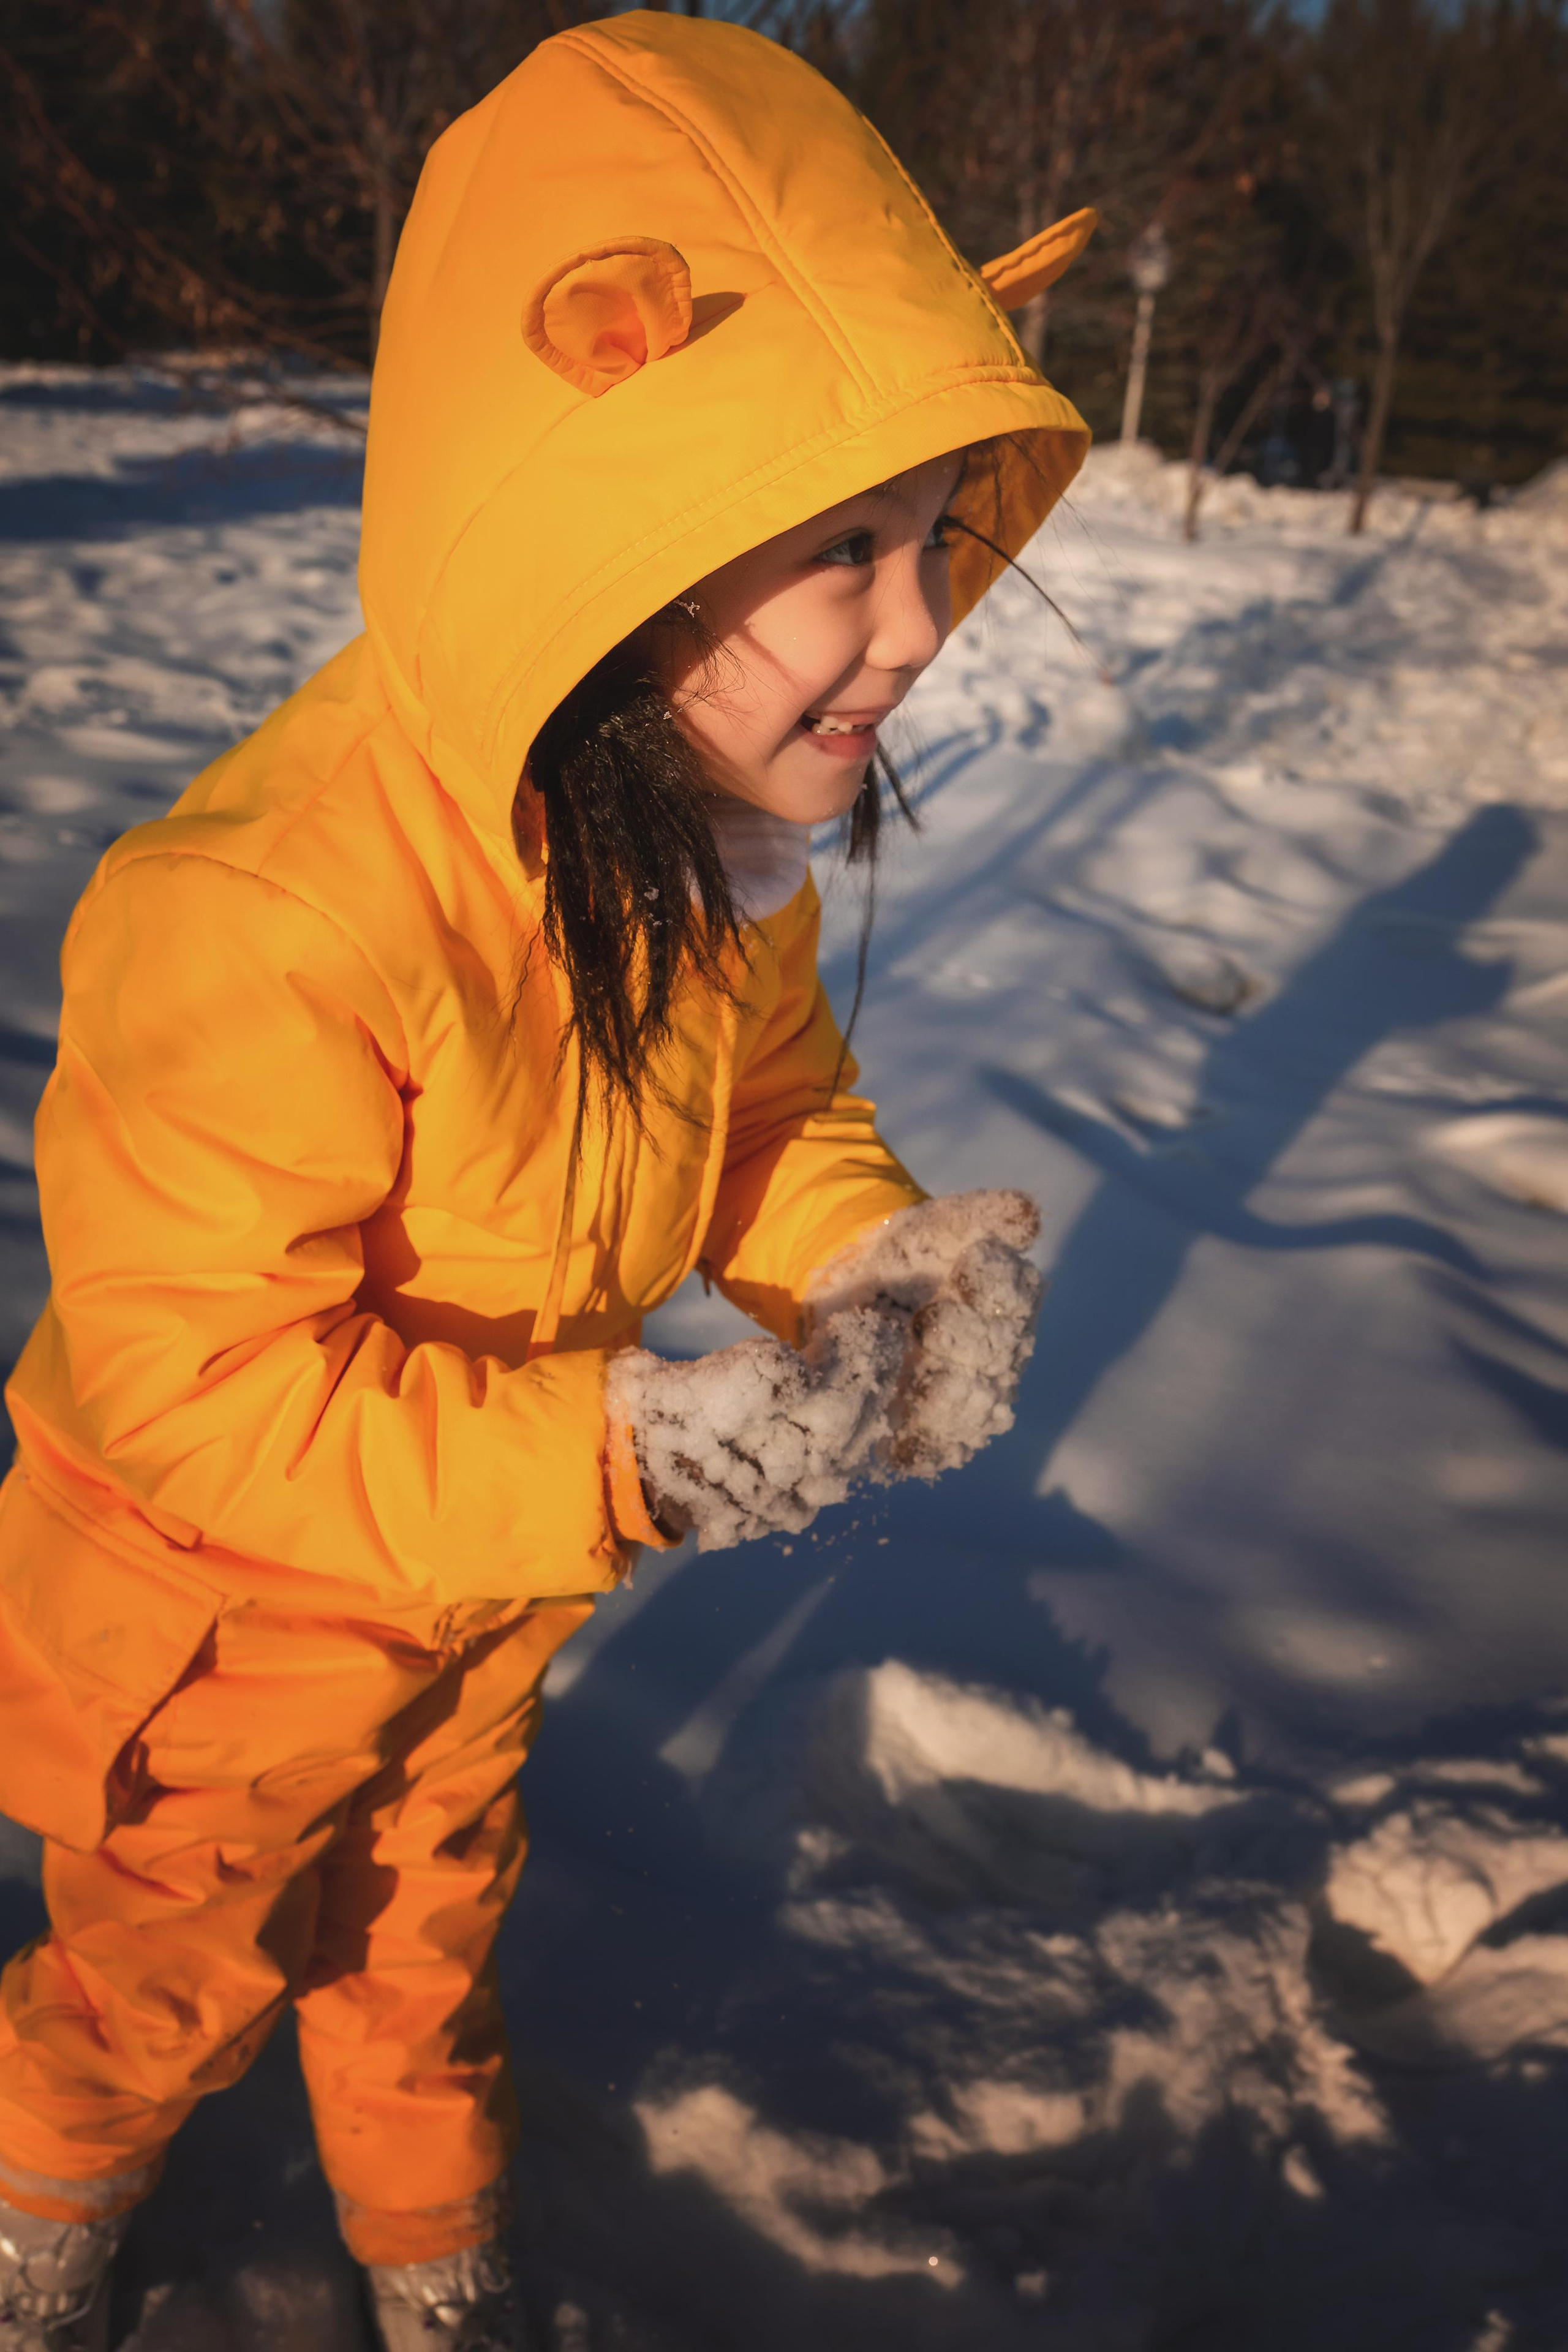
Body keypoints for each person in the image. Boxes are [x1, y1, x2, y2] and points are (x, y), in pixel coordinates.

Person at [0, 12, 1092, 2348]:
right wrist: (608, 1450)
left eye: (929, 542)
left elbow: (771, 1109)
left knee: (424, 1949)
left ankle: (433, 2259)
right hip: (224, 1627)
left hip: (489, 1589)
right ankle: (43, 2230)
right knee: (158, 1982)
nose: (915, 628)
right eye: (839, 556)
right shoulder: (268, 910)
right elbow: (197, 1385)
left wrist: (860, 1252)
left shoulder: (687, 853)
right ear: (614, 535)